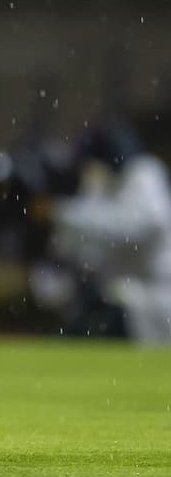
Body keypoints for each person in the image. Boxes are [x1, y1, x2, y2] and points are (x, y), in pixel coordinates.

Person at [44, 121, 171, 343]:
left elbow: (139, 224)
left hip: (153, 300)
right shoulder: (102, 184)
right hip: (120, 298)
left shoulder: (144, 173)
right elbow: (88, 250)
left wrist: (60, 213)